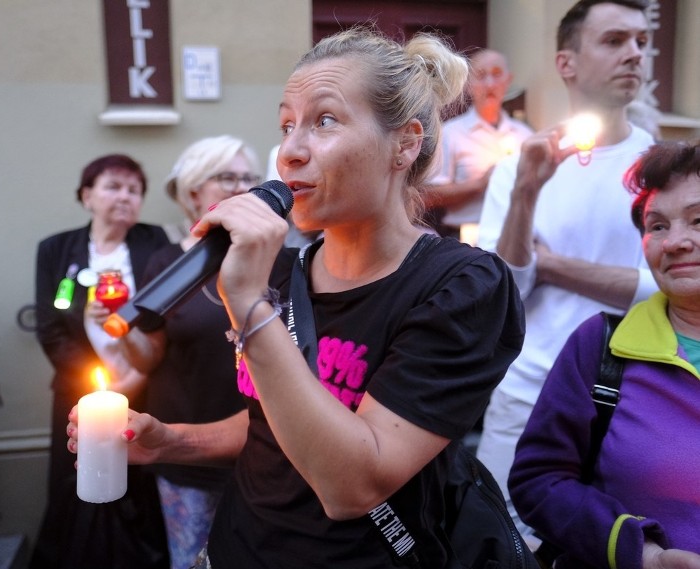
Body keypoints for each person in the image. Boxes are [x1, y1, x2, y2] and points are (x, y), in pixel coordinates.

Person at [69, 26, 525, 569]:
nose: (289, 152)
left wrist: (247, 305)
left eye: (324, 121)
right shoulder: (291, 273)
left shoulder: (462, 288)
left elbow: (353, 485)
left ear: (404, 143)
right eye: (287, 125)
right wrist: (171, 441)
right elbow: (273, 422)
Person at [475, 0, 659, 539]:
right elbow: (502, 290)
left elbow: (663, 292)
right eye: (614, 40)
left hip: (634, 399)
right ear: (567, 63)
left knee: (619, 542)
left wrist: (549, 263)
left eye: (642, 43)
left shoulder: (663, 168)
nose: (635, 54)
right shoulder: (519, 166)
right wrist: (528, 192)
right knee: (502, 538)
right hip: (525, 393)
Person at [509, 140, 700, 569]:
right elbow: (537, 482)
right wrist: (642, 553)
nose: (674, 243)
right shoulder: (602, 346)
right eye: (657, 226)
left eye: (698, 220)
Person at [87, 135, 260, 569]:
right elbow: (149, 357)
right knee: (193, 562)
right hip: (185, 449)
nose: (241, 187)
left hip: (263, 450)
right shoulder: (165, 263)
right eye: (227, 177)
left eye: (248, 178)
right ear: (194, 190)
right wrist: (118, 327)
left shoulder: (279, 258)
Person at [31, 154, 170, 569]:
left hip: (145, 390)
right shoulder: (57, 250)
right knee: (77, 483)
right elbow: (50, 327)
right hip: (79, 394)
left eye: (134, 190)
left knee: (137, 485)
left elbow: (167, 317)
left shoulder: (155, 243)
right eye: (113, 186)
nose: (124, 197)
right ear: (87, 195)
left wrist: (132, 380)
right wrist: (99, 389)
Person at [424, 48, 534, 241]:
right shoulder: (451, 133)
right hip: (466, 237)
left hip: (515, 236)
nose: (490, 84)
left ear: (508, 80)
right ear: (468, 84)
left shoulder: (525, 135)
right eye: (481, 76)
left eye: (497, 74)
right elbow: (429, 196)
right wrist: (480, 184)